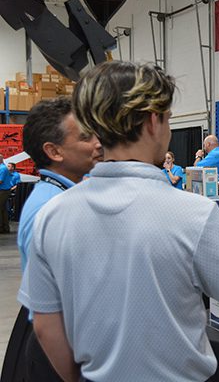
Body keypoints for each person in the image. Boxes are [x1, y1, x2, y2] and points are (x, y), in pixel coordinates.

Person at [18, 61, 219, 382]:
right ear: (153, 121)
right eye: (169, 118)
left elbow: (47, 325)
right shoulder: (193, 214)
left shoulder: (52, 215)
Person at [17, 96, 103, 382]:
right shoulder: (51, 208)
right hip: (57, 349)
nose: (97, 144)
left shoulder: (60, 198)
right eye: (85, 137)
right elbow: (48, 315)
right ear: (53, 151)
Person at [0, 154, 11, 233]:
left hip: (3, 191)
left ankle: (1, 227)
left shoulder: (2, 168)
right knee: (3, 210)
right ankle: (5, 228)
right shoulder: (2, 168)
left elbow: (0, 181)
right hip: (3, 190)